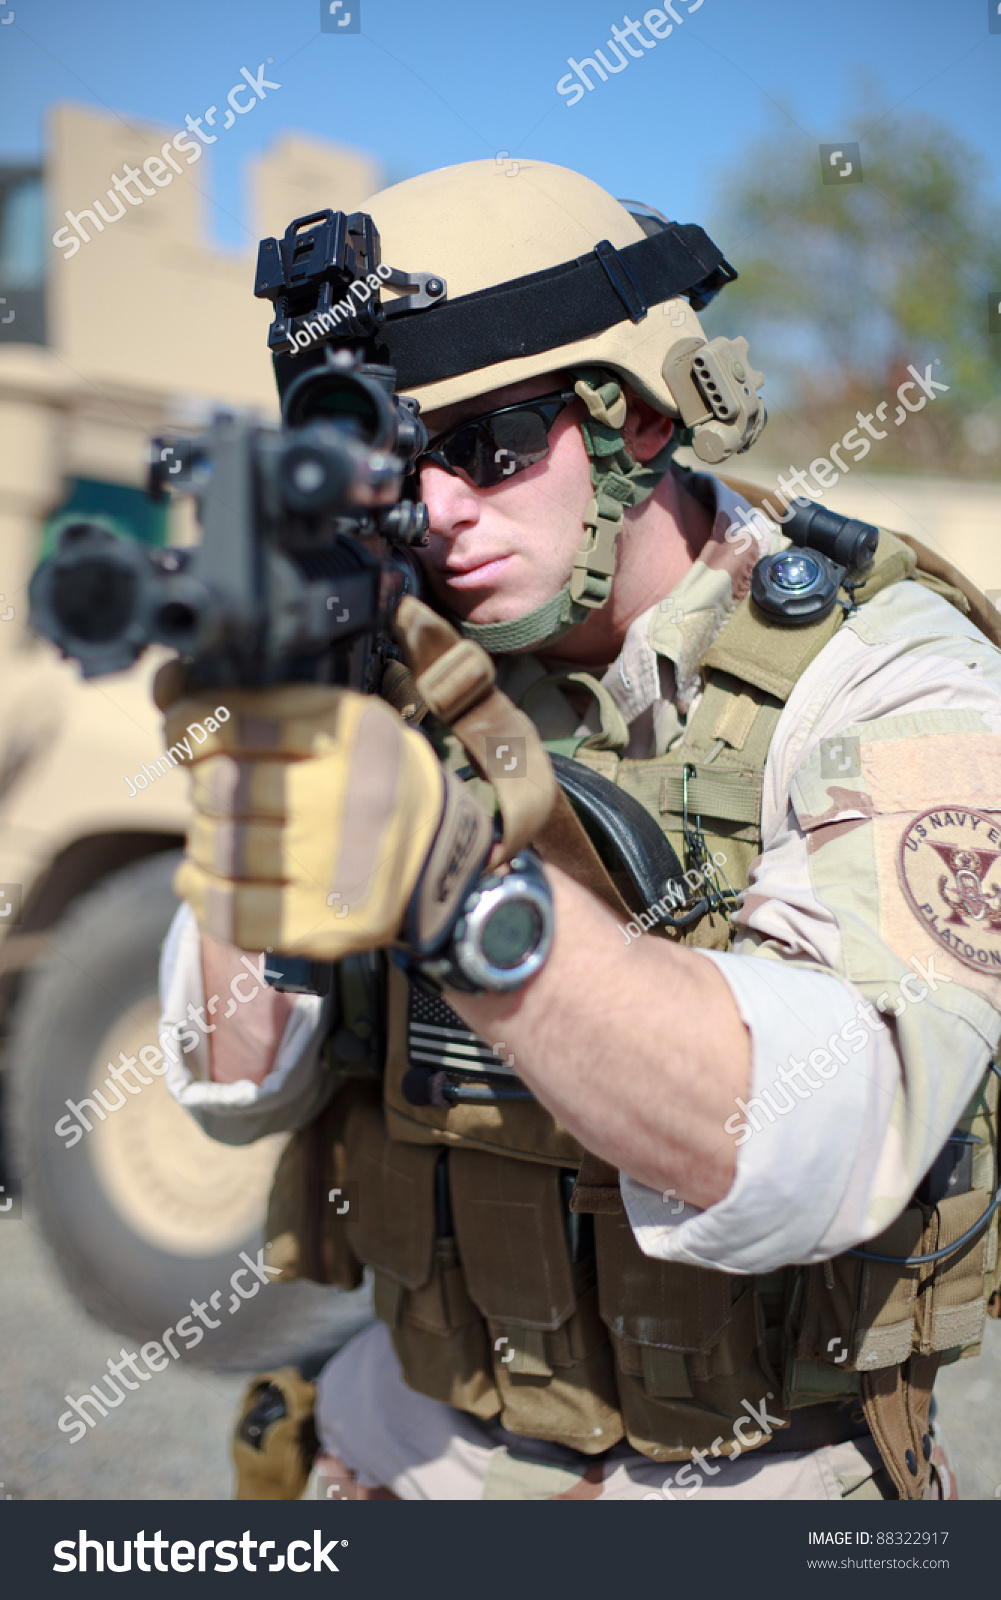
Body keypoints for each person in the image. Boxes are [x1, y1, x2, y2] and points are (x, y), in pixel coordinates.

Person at [158, 159, 1001, 1502]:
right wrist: (254, 770)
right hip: (407, 1447)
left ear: (639, 417)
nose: (433, 510)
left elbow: (820, 1145)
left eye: (487, 442)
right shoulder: (381, 664)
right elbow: (236, 1078)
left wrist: (452, 894)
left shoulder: (895, 675)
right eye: (392, 463)